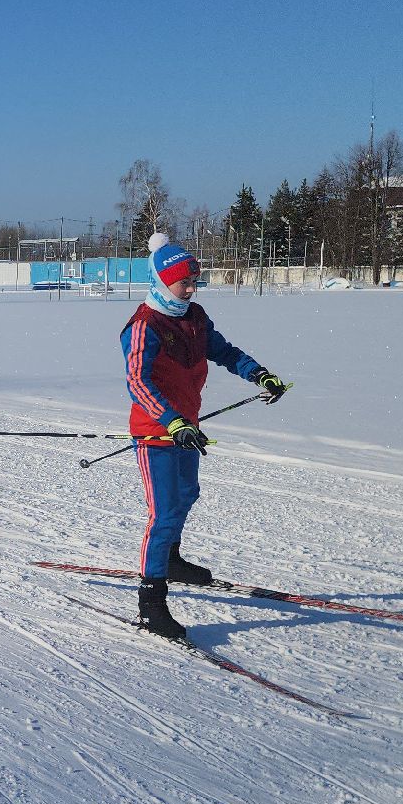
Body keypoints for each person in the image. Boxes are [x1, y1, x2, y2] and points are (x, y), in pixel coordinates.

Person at [121, 233, 288, 639]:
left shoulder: (195, 317)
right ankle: (151, 602)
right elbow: (138, 383)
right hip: (158, 432)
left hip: (188, 429)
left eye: (196, 281)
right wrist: (171, 422)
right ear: (163, 281)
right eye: (185, 282)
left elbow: (224, 350)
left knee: (186, 495)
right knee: (162, 513)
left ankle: (172, 560)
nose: (193, 288)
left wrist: (259, 373)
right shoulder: (144, 325)